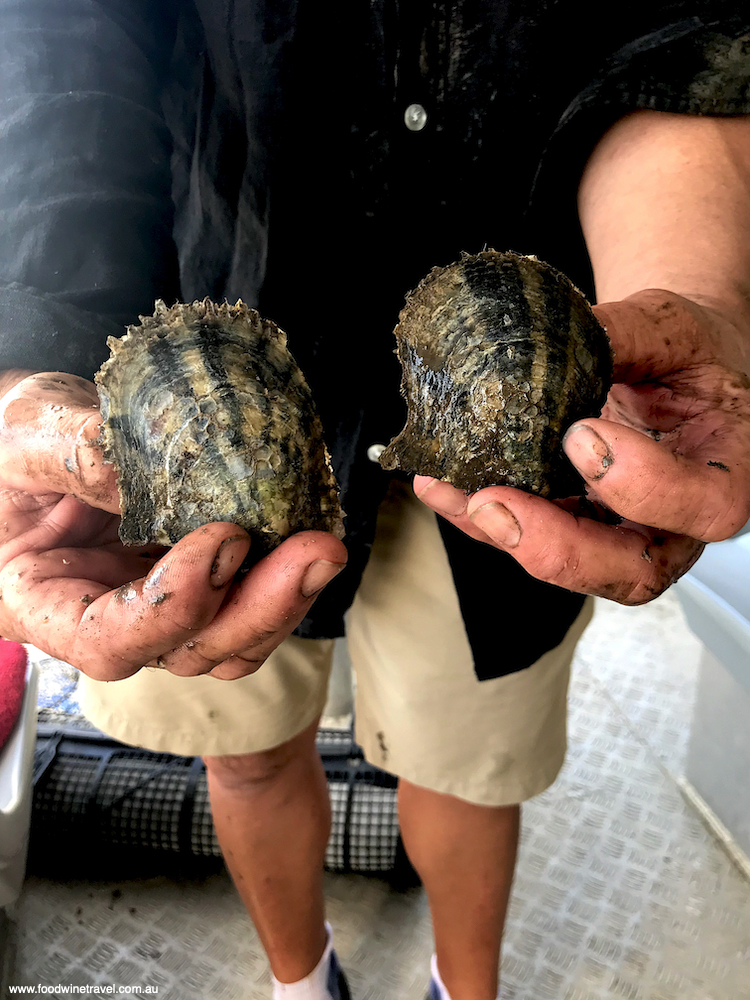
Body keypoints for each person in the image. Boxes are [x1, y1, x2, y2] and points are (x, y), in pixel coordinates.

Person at [0, 3, 749, 999]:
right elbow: (74, 22)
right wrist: (34, 362)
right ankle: (301, 984)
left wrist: (694, 290)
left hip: (530, 405)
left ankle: (463, 991)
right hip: (216, 337)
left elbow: (676, 33)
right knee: (249, 749)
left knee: (465, 770)